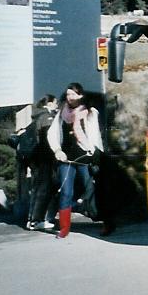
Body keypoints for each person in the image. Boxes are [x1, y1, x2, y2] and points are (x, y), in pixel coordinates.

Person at [47, 83, 104, 239]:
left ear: (80, 95)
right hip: (66, 158)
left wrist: (96, 153)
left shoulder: (90, 112)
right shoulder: (61, 112)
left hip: (85, 155)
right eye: (67, 94)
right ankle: (64, 228)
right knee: (65, 191)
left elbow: (95, 135)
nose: (69, 97)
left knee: (91, 189)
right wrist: (57, 150)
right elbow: (52, 133)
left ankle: (104, 222)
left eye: (73, 94)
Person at [26, 94, 58, 231]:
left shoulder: (37, 116)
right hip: (44, 157)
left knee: (38, 188)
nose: (57, 105)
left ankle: (32, 220)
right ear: (49, 103)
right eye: (55, 103)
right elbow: (47, 139)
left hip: (36, 158)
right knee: (44, 188)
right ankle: (36, 220)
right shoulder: (47, 117)